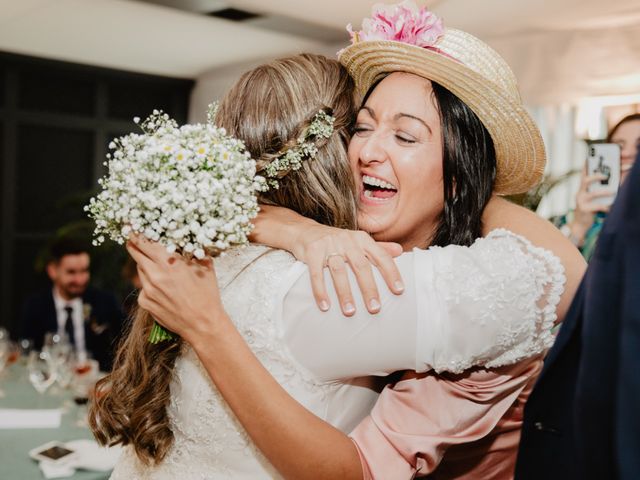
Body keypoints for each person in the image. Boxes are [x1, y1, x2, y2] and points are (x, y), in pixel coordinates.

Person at [122, 3, 585, 479]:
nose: (366, 151)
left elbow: (564, 278)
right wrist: (288, 225)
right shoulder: (335, 257)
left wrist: (474, 187)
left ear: (457, 175)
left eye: (405, 136)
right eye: (361, 127)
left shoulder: (468, 293)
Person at [516, 150, 640, 479]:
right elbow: (536, 294)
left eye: (635, 156)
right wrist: (579, 226)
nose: (626, 166)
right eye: (619, 155)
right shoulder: (560, 225)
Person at [20, 236, 125, 371]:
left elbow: (125, 343)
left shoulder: (104, 301)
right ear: (53, 271)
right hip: (51, 378)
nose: (80, 279)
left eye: (84, 271)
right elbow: (27, 352)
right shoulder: (36, 305)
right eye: (71, 272)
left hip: (94, 381)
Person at [557, 113, 640, 260]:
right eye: (618, 146)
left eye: (639, 147)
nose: (626, 153)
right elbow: (555, 275)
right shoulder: (574, 219)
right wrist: (579, 227)